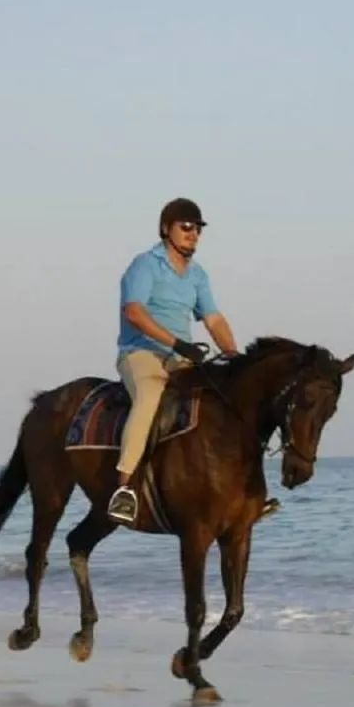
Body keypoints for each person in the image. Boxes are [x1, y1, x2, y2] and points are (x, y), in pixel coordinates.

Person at [106, 197, 242, 525]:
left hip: (181, 357)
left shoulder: (197, 275)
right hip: (141, 352)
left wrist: (235, 357)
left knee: (224, 397)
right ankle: (124, 489)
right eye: (186, 227)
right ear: (167, 229)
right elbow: (134, 313)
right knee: (151, 395)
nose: (193, 234)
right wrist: (178, 342)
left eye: (197, 229)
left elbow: (213, 319)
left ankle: (233, 491)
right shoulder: (145, 265)